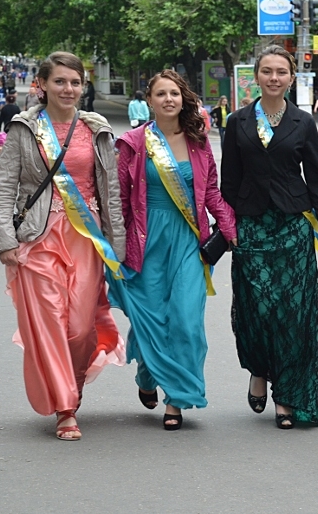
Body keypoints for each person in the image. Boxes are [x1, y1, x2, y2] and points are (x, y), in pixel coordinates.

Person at [0, 51, 126, 441]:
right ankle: (65, 408)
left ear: (83, 87)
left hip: (86, 239)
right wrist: (4, 241)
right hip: (38, 239)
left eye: (75, 82)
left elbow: (110, 191)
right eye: (60, 82)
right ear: (43, 85)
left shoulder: (96, 128)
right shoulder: (24, 129)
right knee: (50, 321)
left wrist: (116, 244)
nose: (68, 89)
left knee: (82, 328)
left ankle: (74, 381)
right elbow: (4, 190)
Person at [107, 70, 237, 431]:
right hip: (145, 241)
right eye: (161, 94)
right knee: (150, 317)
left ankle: (177, 398)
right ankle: (148, 374)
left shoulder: (198, 141)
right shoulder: (133, 143)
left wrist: (228, 227)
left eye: (174, 94)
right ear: (149, 100)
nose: (168, 99)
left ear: (184, 99)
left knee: (185, 318)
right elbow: (118, 198)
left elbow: (211, 191)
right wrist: (115, 244)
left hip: (188, 241)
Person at [220, 45, 318, 429]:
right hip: (251, 227)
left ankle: (287, 397)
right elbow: (228, 184)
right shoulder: (237, 122)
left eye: (281, 72)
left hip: (292, 227)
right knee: (257, 309)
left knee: (292, 315)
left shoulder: (302, 123)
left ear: (291, 78)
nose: (274, 78)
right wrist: (228, 229)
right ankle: (258, 369)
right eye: (267, 71)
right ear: (256, 76)